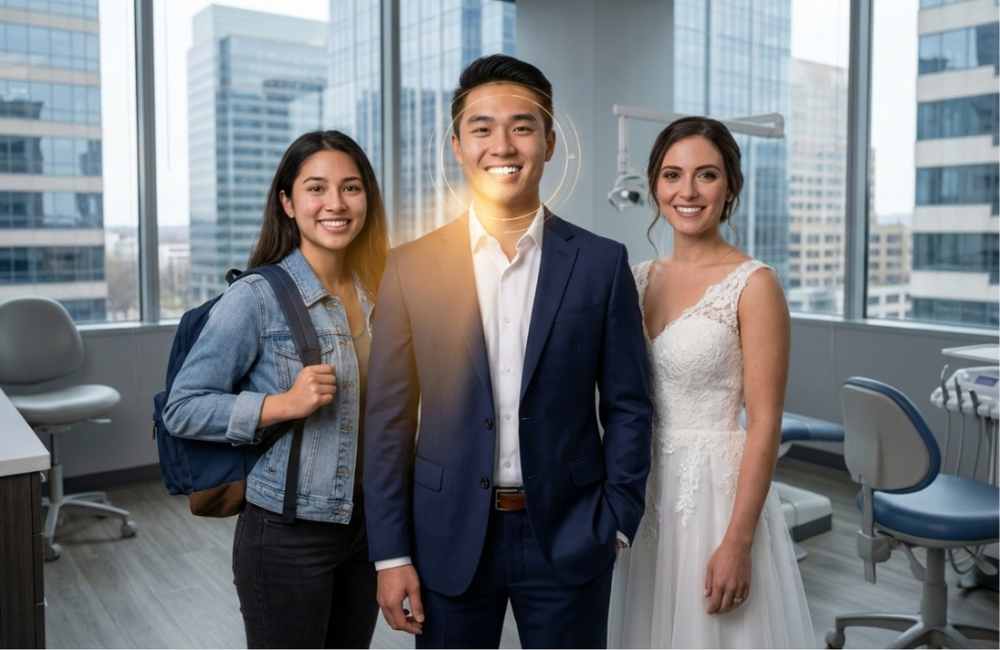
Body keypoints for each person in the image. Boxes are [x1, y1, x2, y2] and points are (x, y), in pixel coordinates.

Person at [363, 54, 653, 648]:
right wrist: (390, 554)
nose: (503, 144)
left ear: (549, 142)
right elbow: (387, 421)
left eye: (522, 126)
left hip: (572, 535)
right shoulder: (409, 268)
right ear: (457, 145)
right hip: (446, 538)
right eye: (482, 128)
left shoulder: (601, 263)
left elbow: (629, 404)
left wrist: (617, 521)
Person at [163, 130, 388, 648]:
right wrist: (280, 405)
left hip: (370, 528)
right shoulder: (256, 298)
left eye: (351, 188)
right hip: (288, 535)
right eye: (316, 188)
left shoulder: (382, 293)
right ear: (287, 202)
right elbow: (183, 407)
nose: (335, 203)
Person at [618, 116, 815, 648]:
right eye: (671, 174)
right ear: (655, 184)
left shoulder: (754, 285)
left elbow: (765, 422)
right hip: (644, 491)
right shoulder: (633, 278)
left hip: (715, 496)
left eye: (706, 175)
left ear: (730, 187)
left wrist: (738, 539)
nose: (687, 191)